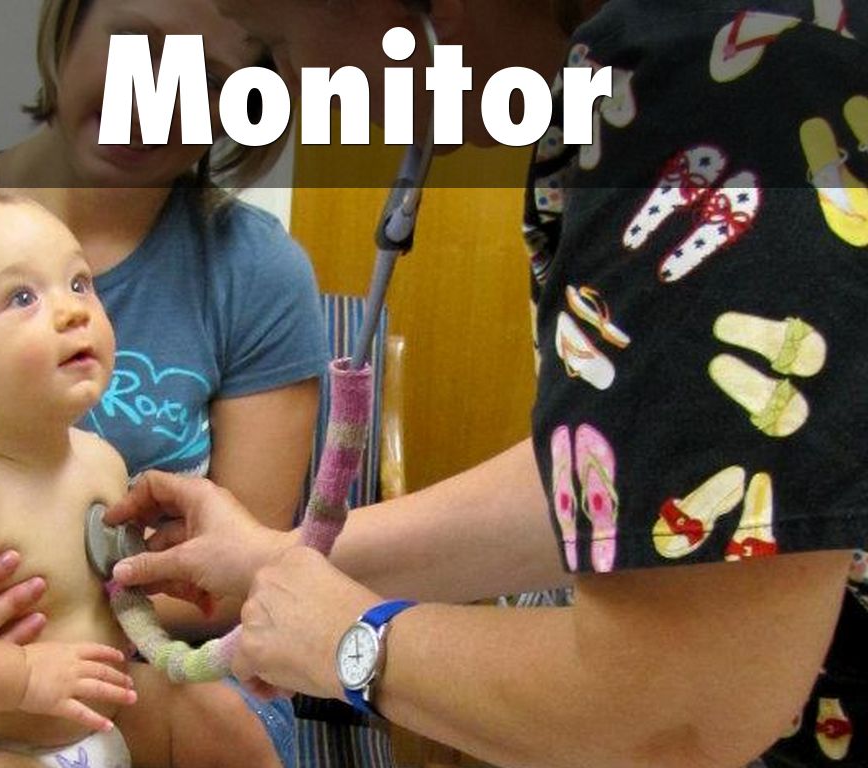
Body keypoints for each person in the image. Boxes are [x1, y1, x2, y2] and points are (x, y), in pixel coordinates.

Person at [101, 0, 868, 766]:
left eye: (278, 43)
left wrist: (352, 642)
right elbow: (651, 474)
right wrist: (282, 558)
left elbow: (677, 708)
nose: (298, 92)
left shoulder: (716, 79)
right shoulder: (679, 69)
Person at [0, 0, 329, 766]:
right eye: (137, 45)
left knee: (225, 732)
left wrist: (91, 625)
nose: (154, 98)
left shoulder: (256, 272)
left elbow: (238, 577)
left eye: (209, 79)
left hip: (132, 664)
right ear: (68, 24)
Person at [0, 192, 294, 768]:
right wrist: (23, 675)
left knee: (219, 718)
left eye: (79, 283)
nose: (72, 311)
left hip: (103, 708)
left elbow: (104, 576)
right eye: (22, 297)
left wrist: (160, 576)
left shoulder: (99, 461)